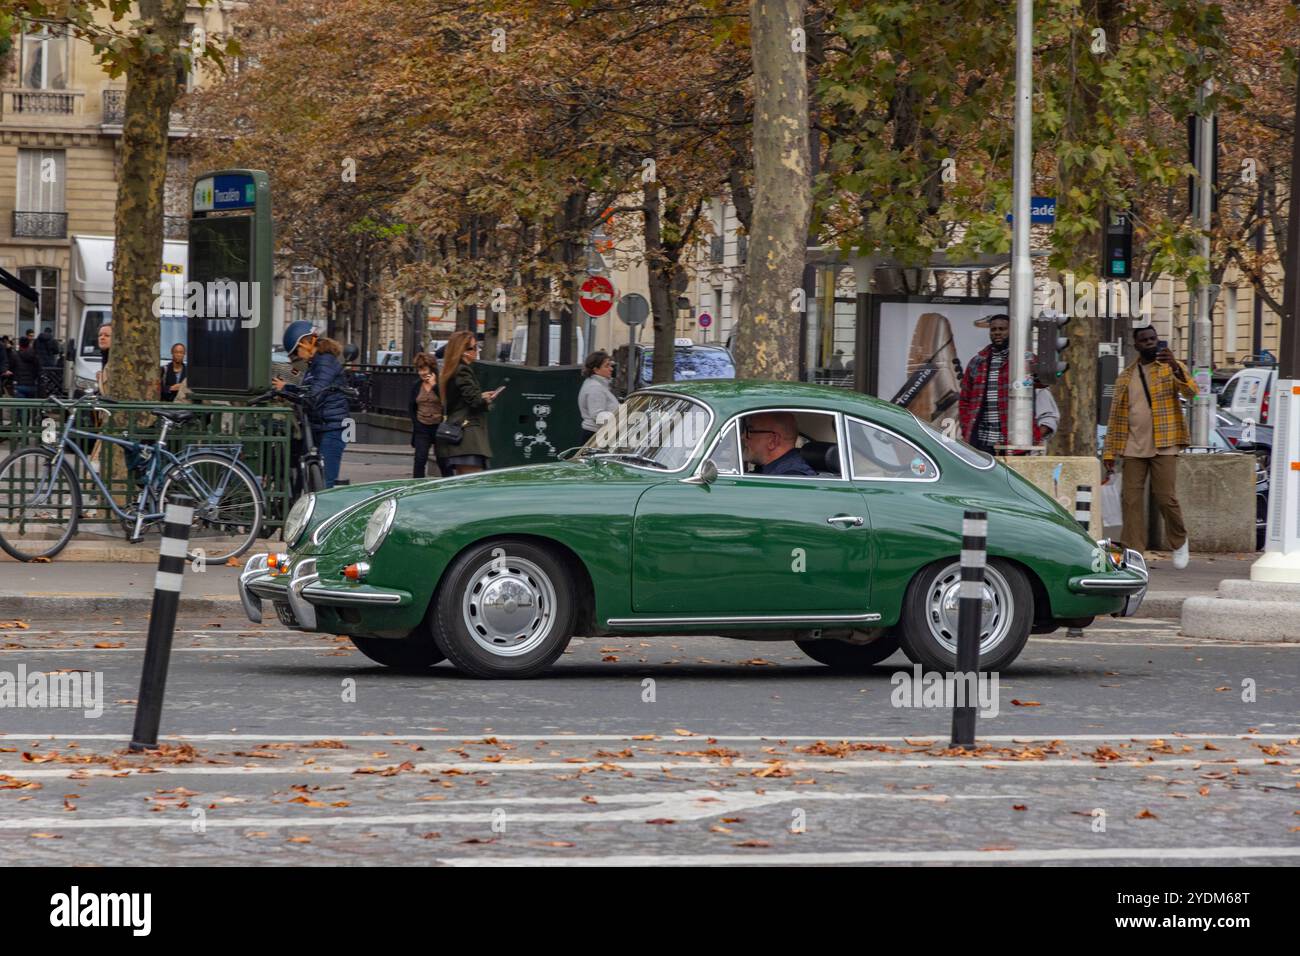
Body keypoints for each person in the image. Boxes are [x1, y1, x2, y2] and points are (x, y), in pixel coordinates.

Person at [1102, 325, 1198, 569]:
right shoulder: (1125, 376)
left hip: (1165, 443)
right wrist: (1110, 452)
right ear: (1136, 345)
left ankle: (1179, 541)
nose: (1149, 342)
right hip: (1133, 446)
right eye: (1144, 340)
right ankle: (1134, 554)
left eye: (1153, 338)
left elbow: (1191, 392)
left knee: (1165, 497)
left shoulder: (1170, 367)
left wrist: (1176, 366)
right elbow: (1115, 418)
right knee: (1130, 500)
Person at [272, 321, 350, 489]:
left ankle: (325, 514)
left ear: (306, 344)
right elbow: (307, 390)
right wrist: (285, 388)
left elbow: (313, 395)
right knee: (316, 480)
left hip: (333, 427)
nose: (296, 357)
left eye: (296, 352)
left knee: (325, 482)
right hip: (321, 425)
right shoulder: (315, 364)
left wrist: (286, 389)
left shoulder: (325, 362)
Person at [958, 313, 1042, 454]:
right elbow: (965, 400)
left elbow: (1043, 382)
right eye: (993, 329)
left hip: (1014, 441)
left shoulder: (1024, 358)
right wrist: (966, 427)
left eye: (1002, 329)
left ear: (1011, 331)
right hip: (982, 441)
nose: (997, 333)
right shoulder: (977, 361)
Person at [436, 330, 503, 475]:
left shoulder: (452, 370)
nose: (476, 351)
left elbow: (462, 398)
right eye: (472, 348)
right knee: (471, 483)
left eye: (476, 347)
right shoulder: (462, 371)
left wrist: (480, 395)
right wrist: (485, 399)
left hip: (459, 432)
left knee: (463, 482)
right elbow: (474, 401)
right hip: (468, 435)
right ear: (462, 351)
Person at [741, 412, 816, 476]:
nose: (743, 437)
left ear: (773, 440)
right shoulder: (770, 470)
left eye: (750, 431)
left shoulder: (791, 479)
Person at [409, 352, 446, 478]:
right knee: (420, 459)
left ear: (431, 368)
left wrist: (434, 385)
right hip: (422, 427)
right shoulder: (416, 385)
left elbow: (446, 402)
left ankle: (451, 485)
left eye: (424, 369)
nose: (422, 373)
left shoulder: (441, 383)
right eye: (419, 369)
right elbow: (412, 406)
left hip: (439, 427)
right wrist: (416, 424)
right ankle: (416, 487)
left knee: (443, 460)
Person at [578, 350, 619, 438]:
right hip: (596, 435)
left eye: (610, 365)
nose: (611, 369)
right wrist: (621, 419)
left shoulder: (597, 384)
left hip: (597, 434)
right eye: (607, 366)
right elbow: (598, 415)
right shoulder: (595, 387)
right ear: (596, 370)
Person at [94, 323, 112, 396]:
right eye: (100, 335)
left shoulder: (117, 361)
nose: (102, 337)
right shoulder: (105, 356)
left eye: (107, 335)